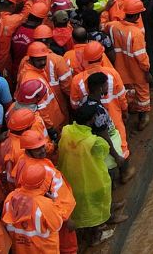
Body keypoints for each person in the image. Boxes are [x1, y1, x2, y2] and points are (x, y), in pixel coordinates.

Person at [58, 104, 124, 245]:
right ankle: (96, 236)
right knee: (94, 207)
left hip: (71, 179)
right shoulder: (94, 142)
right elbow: (104, 151)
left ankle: (97, 226)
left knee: (83, 208)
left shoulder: (66, 131)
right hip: (91, 180)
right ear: (91, 120)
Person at [107, 0, 151, 130]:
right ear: (137, 15)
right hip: (137, 70)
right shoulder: (136, 33)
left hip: (120, 68)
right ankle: (143, 118)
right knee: (143, 94)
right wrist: (147, 71)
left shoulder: (112, 26)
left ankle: (130, 109)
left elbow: (103, 26)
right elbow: (141, 56)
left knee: (127, 91)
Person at [2, 163, 65, 254]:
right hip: (44, 250)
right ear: (42, 182)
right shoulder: (46, 204)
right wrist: (55, 203)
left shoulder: (10, 198)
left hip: (20, 250)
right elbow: (57, 225)